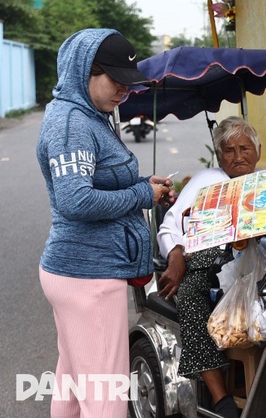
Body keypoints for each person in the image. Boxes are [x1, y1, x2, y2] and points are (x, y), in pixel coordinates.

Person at [37, 29, 175, 418]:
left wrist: (141, 185)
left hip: (79, 273)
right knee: (106, 400)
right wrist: (141, 196)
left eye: (128, 84)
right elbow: (76, 199)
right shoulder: (73, 125)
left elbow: (97, 180)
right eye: (116, 81)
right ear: (85, 72)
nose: (124, 92)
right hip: (89, 278)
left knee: (74, 389)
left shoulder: (84, 115)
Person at [156, 117, 262, 418]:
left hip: (259, 263)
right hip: (212, 262)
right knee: (189, 293)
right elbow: (171, 224)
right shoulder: (205, 180)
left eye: (244, 148)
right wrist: (175, 254)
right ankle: (221, 399)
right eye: (229, 150)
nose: (238, 156)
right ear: (219, 156)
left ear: (257, 151)